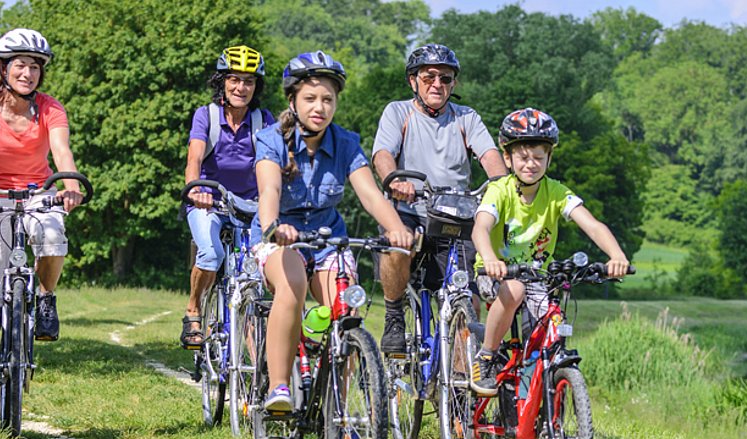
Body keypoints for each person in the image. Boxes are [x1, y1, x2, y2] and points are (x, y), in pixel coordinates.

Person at [251, 51, 413, 411]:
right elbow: (269, 191)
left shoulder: (345, 143)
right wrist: (274, 227)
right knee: (291, 285)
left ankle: (336, 410)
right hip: (280, 239)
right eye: (310, 98)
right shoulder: (272, 139)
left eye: (328, 99)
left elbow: (370, 194)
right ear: (292, 100)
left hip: (326, 241)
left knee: (345, 312)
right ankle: (279, 388)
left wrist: (397, 230)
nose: (319, 107)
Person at [0, 29, 85, 410]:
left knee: (54, 236)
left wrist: (71, 182)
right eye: (20, 65)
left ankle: (45, 297)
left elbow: (62, 152)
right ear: (4, 69)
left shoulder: (50, 108)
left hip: (38, 193)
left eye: (34, 67)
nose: (28, 73)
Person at [468, 108, 630, 396]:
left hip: (537, 277)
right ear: (507, 158)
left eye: (539, 158)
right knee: (515, 290)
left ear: (549, 159)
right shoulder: (500, 191)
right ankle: (488, 355)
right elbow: (480, 228)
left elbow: (591, 225)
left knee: (554, 319)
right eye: (523, 157)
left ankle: (541, 396)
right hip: (494, 273)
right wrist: (491, 259)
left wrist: (616, 256)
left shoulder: (555, 192)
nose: (531, 164)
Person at [372, 43, 507, 357]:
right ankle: (393, 316)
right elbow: (382, 155)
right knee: (397, 244)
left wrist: (501, 186)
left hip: (455, 216)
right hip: (409, 208)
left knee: (468, 296)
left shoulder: (466, 118)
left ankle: (457, 386)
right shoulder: (398, 112)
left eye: (445, 78)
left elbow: (490, 157)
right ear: (413, 81)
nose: (437, 84)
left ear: (453, 84)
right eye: (429, 76)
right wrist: (395, 181)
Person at [179, 45, 275, 349]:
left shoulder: (263, 120)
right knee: (211, 254)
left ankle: (256, 365)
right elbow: (194, 158)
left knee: (253, 275)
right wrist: (196, 189)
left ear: (256, 86)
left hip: (251, 207)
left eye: (249, 81)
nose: (241, 87)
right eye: (234, 79)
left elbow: (274, 164)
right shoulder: (206, 116)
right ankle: (193, 311)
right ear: (222, 82)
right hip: (209, 201)